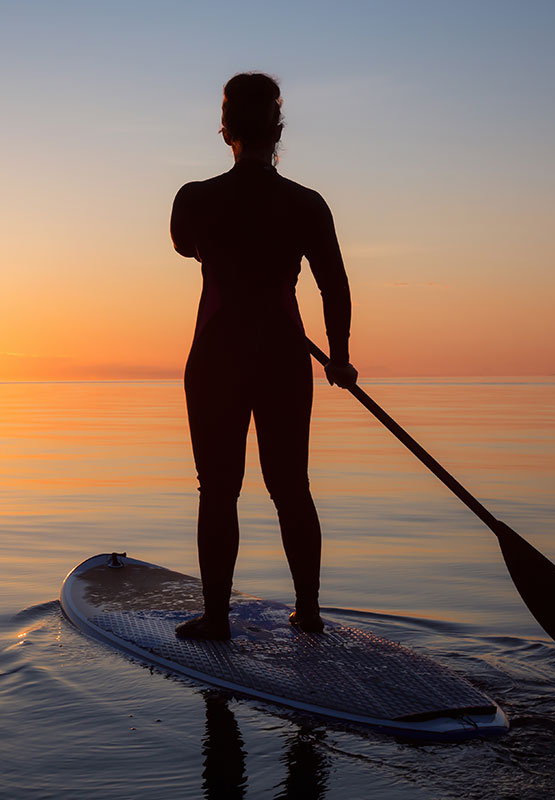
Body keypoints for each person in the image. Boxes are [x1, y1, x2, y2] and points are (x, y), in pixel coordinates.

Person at [170, 72, 357, 640]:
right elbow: (334, 287)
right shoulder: (306, 203)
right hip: (283, 356)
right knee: (291, 487)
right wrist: (339, 357)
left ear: (225, 129)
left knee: (218, 489)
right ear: (278, 131)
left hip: (218, 357)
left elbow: (185, 246)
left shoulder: (194, 198)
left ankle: (217, 618)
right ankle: (309, 613)